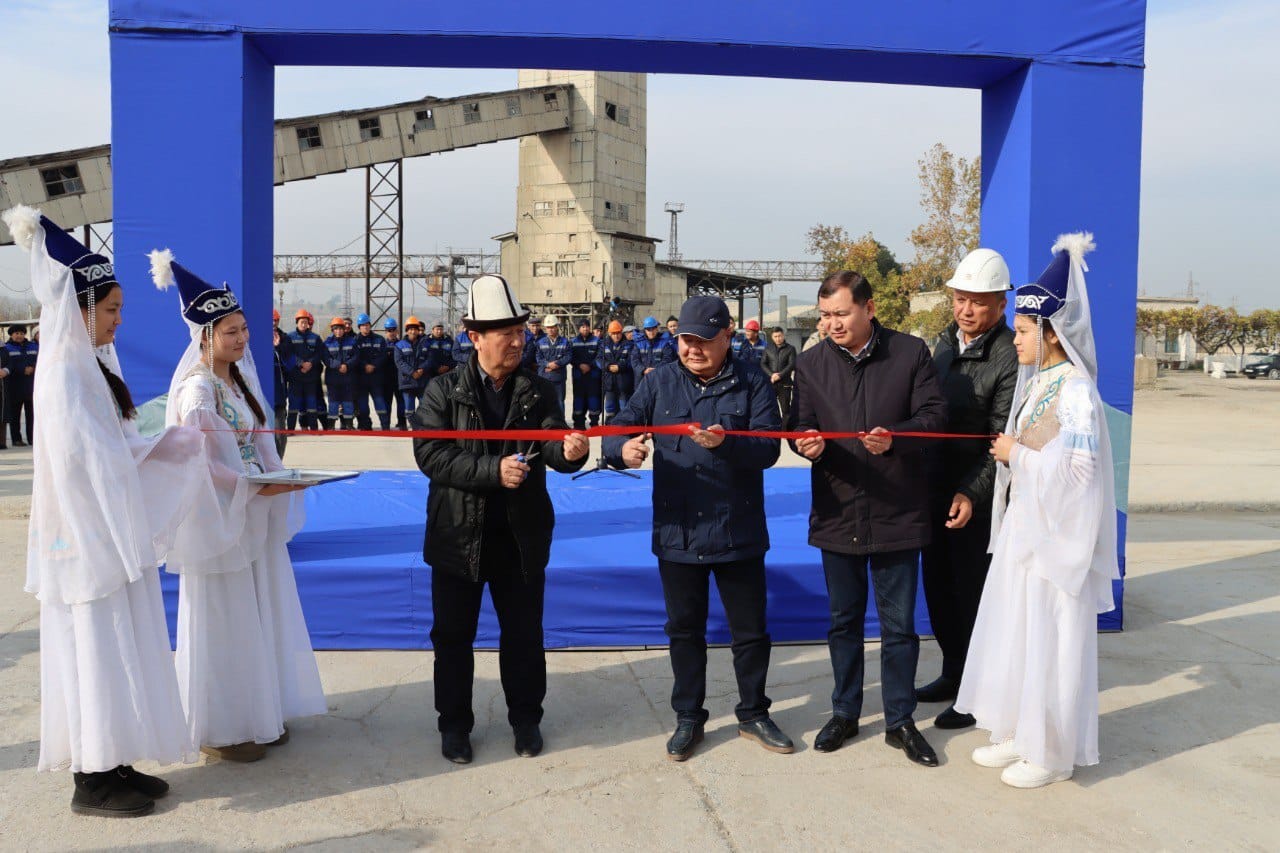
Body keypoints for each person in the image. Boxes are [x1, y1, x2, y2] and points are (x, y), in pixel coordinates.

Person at [5, 206, 217, 817]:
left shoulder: (91, 368)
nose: (119, 321)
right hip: (84, 539)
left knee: (121, 646)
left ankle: (116, 758)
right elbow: (86, 463)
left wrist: (161, 446)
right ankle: (91, 778)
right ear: (80, 310)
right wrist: (153, 453)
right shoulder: (62, 375)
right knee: (94, 653)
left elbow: (113, 448)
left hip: (107, 529)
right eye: (112, 310)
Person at [956, 233, 1119, 789]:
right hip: (1028, 531)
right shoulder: (1042, 381)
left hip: (1056, 540)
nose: (1017, 340)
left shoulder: (1075, 391)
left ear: (1052, 333)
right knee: (1021, 636)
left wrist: (1016, 456)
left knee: (1052, 643)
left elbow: (1081, 474)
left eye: (1024, 331)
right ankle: (1019, 731)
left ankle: (1051, 753)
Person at [153, 248, 326, 764]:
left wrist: (283, 478)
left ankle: (260, 712)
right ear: (205, 336)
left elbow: (262, 443)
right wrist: (253, 486)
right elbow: (201, 464)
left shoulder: (239, 381)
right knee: (224, 619)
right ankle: (222, 728)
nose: (242, 339)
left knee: (257, 610)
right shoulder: (197, 392)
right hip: (220, 515)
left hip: (251, 508)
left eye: (245, 329)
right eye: (231, 332)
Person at [604, 295, 792, 760]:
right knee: (684, 631)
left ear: (727, 336)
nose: (692, 349)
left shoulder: (751, 381)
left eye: (704, 341)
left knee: (750, 631)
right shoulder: (660, 382)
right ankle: (689, 716)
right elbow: (618, 426)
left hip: (737, 530)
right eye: (686, 340)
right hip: (679, 531)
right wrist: (620, 450)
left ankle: (754, 713)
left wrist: (726, 444)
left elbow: (769, 447)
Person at [413, 274, 589, 764]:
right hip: (457, 536)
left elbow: (552, 441)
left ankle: (526, 720)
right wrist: (493, 470)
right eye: (505, 333)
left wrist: (570, 452)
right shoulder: (442, 391)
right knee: (453, 639)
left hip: (519, 536)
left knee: (524, 636)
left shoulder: (537, 389)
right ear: (475, 337)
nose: (517, 341)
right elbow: (430, 455)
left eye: (520, 331)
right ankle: (454, 726)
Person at [790, 270, 947, 767]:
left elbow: (935, 416)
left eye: (841, 313)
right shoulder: (810, 363)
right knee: (844, 623)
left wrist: (896, 437)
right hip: (838, 510)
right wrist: (807, 444)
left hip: (896, 510)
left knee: (899, 627)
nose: (831, 324)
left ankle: (900, 720)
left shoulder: (909, 353)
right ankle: (845, 712)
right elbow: (799, 424)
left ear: (869, 308)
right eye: (825, 315)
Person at [917, 249, 1019, 729]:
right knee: (938, 588)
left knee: (972, 596)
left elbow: (1000, 440)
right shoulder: (942, 344)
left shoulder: (1009, 357)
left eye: (978, 301)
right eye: (960, 299)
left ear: (1001, 303)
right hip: (933, 489)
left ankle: (978, 694)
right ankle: (953, 673)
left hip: (977, 498)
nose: (966, 310)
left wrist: (970, 494)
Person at [352, 313, 390, 431]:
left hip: (376, 378)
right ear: (359, 327)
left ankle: (385, 426)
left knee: (380, 404)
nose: (365, 327)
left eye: (367, 324)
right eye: (363, 325)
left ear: (370, 325)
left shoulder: (379, 339)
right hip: (361, 379)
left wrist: (374, 365)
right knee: (363, 406)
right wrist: (365, 366)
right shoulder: (355, 341)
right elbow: (354, 357)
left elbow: (383, 356)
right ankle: (366, 426)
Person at [287, 309, 323, 430]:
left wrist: (310, 363)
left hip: (310, 377)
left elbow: (320, 353)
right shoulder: (289, 337)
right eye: (301, 322)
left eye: (306, 322)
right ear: (297, 322)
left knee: (311, 404)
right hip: (295, 377)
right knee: (293, 405)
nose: (304, 324)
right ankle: (290, 429)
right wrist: (301, 364)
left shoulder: (315, 337)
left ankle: (314, 429)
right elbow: (288, 354)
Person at [4, 322, 37, 445]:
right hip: (15, 386)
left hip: (31, 386)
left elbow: (40, 359)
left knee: (32, 414)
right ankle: (16, 439)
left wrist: (33, 368)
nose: (19, 336)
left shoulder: (33, 346)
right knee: (15, 414)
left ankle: (32, 438)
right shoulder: (7, 348)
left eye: (22, 333)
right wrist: (22, 369)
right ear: (11, 335)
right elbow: (7, 364)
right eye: (16, 333)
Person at [322, 316, 358, 429]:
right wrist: (339, 365)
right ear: (332, 330)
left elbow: (356, 356)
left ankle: (349, 425)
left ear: (344, 329)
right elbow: (326, 359)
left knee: (348, 403)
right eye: (336, 329)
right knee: (333, 403)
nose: (338, 331)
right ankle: (331, 425)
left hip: (347, 378)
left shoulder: (352, 341)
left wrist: (347, 365)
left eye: (340, 329)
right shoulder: (327, 343)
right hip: (333, 378)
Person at [597, 320, 634, 423]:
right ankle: (610, 426)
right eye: (613, 333)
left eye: (618, 333)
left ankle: (624, 427)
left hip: (623, 383)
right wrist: (607, 366)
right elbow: (598, 360)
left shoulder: (629, 345)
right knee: (609, 408)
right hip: (609, 383)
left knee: (624, 407)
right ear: (609, 333)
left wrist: (620, 367)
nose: (616, 336)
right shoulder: (604, 344)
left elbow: (631, 361)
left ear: (621, 332)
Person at [569, 318, 602, 429]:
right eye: (583, 327)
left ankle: (594, 423)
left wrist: (590, 365)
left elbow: (600, 356)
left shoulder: (597, 341)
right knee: (579, 400)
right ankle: (579, 424)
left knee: (594, 399)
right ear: (579, 328)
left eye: (587, 326)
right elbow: (570, 356)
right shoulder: (573, 342)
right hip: (578, 376)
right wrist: (579, 365)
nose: (585, 329)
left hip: (593, 376)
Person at [395, 317, 431, 416]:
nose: (413, 331)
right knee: (409, 410)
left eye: (415, 329)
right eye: (410, 329)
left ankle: (422, 425)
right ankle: (412, 425)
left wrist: (422, 369)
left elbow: (430, 359)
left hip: (422, 382)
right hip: (407, 382)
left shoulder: (426, 344)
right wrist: (412, 372)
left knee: (425, 409)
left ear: (418, 331)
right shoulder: (399, 345)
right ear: (407, 331)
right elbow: (399, 362)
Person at [760, 326, 797, 421]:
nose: (778, 338)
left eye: (779, 336)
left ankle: (785, 429)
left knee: (785, 410)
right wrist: (771, 375)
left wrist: (780, 375)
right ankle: (773, 427)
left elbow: (792, 364)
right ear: (772, 337)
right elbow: (763, 363)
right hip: (771, 382)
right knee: (769, 408)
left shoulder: (790, 349)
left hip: (785, 383)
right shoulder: (768, 348)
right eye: (775, 336)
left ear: (783, 336)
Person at [534, 315, 570, 410]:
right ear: (545, 328)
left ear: (557, 327)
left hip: (559, 378)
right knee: (544, 403)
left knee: (559, 402)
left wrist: (557, 364)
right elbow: (538, 357)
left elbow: (568, 356)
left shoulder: (565, 342)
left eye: (552, 327)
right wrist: (548, 364)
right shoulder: (540, 342)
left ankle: (560, 420)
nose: (550, 329)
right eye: (548, 327)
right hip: (544, 377)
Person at [271, 309, 294, 458]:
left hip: (278, 395)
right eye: (271, 320)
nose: (273, 323)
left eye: (276, 320)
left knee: (280, 435)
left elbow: (290, 365)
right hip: (259, 395)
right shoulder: (254, 338)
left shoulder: (285, 339)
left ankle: (278, 463)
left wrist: (278, 347)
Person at [631, 316, 674, 385]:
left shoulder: (664, 342)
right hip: (642, 380)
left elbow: (668, 359)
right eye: (648, 329)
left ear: (657, 329)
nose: (651, 332)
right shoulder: (639, 343)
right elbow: (634, 360)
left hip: (659, 379)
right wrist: (643, 370)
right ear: (645, 330)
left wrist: (656, 370)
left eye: (653, 328)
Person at [381, 318, 407, 429]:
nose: (391, 333)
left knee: (401, 402)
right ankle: (386, 424)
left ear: (397, 331)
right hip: (386, 379)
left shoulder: (401, 344)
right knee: (387, 402)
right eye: (389, 330)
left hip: (399, 378)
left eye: (393, 330)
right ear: (385, 332)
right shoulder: (382, 345)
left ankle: (402, 423)